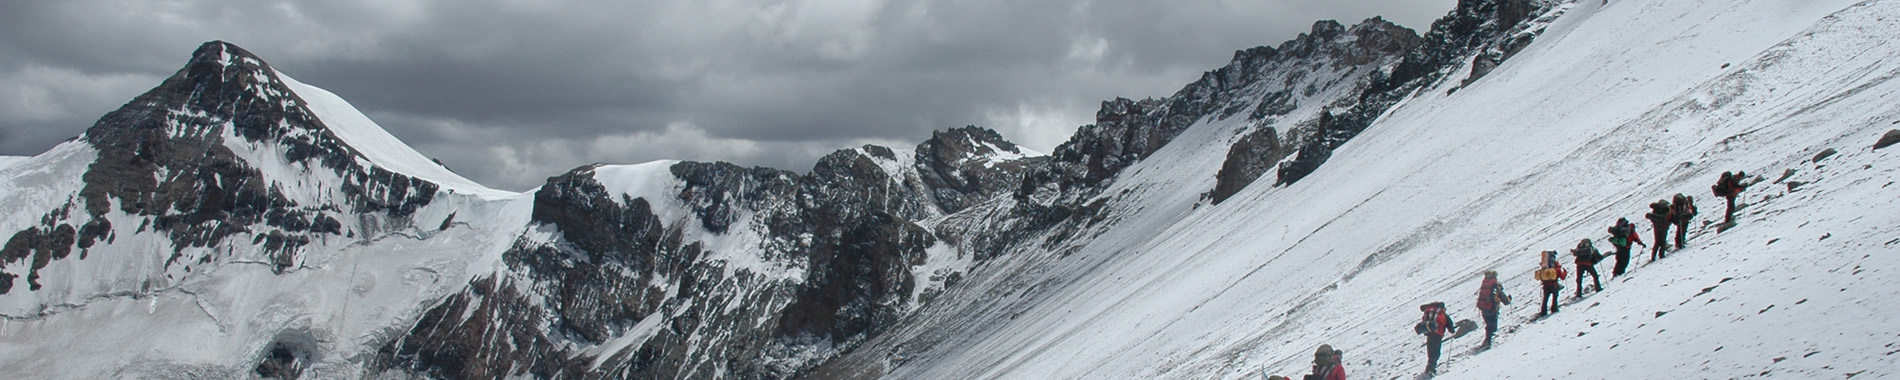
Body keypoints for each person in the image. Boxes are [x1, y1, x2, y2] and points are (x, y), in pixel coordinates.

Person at [1415, 302, 1456, 376]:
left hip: (1429, 334)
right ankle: (1430, 370)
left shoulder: (1428, 312)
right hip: (1437, 335)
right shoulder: (1443, 314)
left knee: (1431, 352)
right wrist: (1452, 330)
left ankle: (1429, 368)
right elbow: (1451, 327)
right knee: (1436, 353)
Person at [1475, 270, 1508, 349]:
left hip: (1483, 308)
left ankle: (1487, 340)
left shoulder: (1485, 285)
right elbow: (1504, 300)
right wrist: (1508, 300)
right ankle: (1488, 341)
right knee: (1492, 326)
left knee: (1488, 325)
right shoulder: (1495, 286)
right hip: (1492, 309)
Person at [1535, 250, 1567, 316]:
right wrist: (1565, 272)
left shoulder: (1544, 269)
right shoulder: (1556, 269)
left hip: (1545, 286)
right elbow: (1562, 277)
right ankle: (1554, 309)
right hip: (1554, 285)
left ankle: (1543, 312)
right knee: (1555, 296)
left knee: (1545, 299)